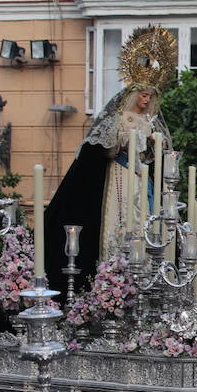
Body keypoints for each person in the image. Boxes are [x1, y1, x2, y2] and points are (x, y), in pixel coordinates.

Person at [45, 27, 175, 284]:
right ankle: (113, 269)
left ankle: (146, 269)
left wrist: (152, 145)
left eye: (150, 96)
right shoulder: (119, 119)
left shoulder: (149, 122)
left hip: (141, 176)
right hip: (120, 174)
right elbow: (103, 146)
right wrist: (121, 140)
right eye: (143, 94)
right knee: (119, 218)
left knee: (145, 217)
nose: (146, 100)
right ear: (134, 95)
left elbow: (155, 154)